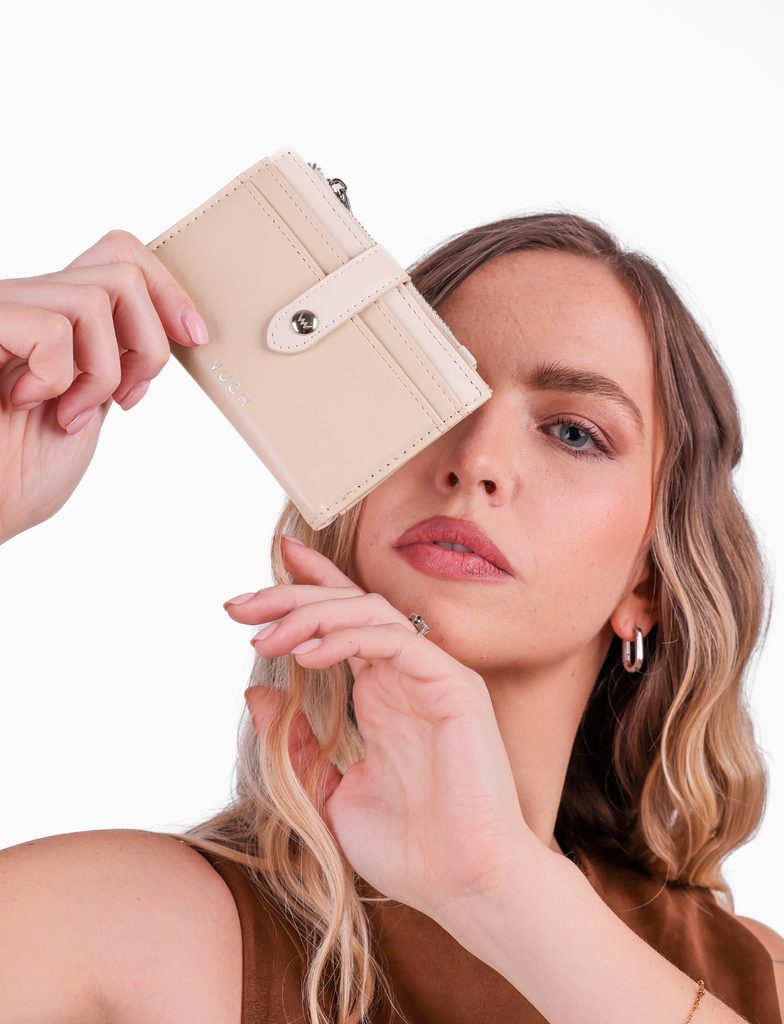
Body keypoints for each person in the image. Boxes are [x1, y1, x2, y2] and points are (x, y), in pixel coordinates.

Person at [0, 218, 781, 1024]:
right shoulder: (112, 928)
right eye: (434, 394)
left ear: (647, 582)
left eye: (574, 433)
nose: (475, 460)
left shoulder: (751, 980)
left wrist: (498, 888)